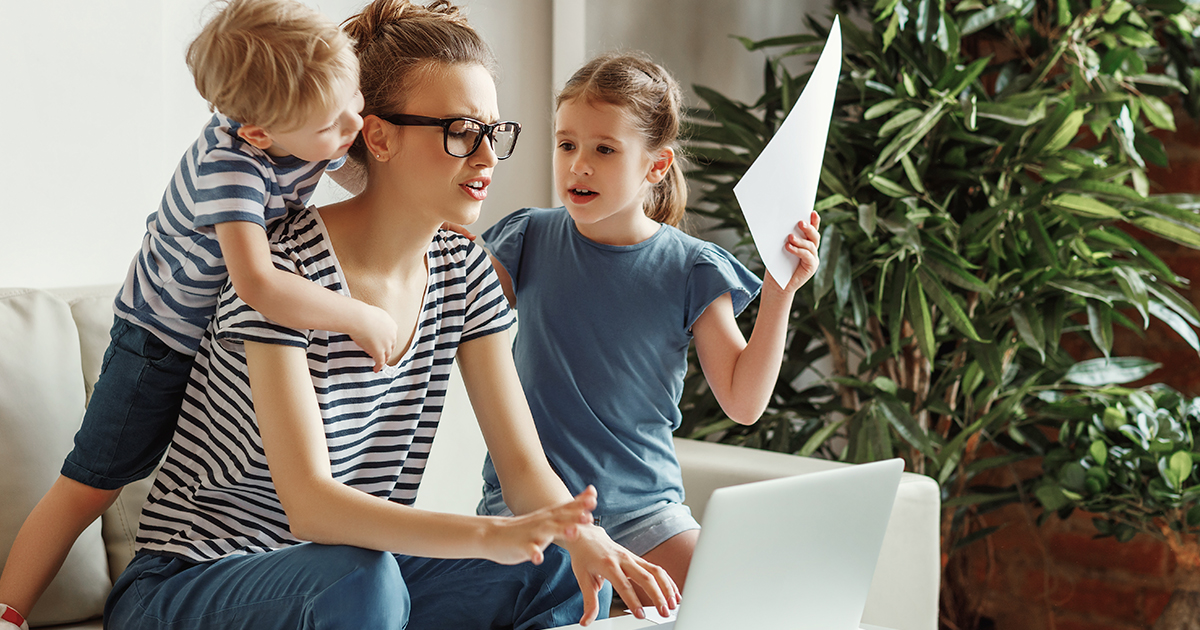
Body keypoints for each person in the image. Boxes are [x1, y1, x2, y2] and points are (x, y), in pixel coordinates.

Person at [96, 2, 678, 629]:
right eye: (460, 130)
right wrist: (487, 535)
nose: (485, 157)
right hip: (192, 581)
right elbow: (311, 509)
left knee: (548, 563)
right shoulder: (282, 268)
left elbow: (523, 470)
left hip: (347, 581)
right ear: (378, 135)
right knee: (360, 574)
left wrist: (582, 537)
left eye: (494, 131)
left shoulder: (464, 270)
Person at [0, 2, 398, 627]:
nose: (353, 126)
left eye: (356, 100)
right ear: (258, 133)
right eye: (332, 126)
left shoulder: (314, 119)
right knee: (93, 481)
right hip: (157, 342)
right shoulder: (229, 169)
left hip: (215, 340)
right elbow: (260, 282)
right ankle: (9, 610)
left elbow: (371, 172)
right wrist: (356, 315)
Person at [475, 51, 822, 594]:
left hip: (646, 516)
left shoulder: (693, 268)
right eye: (567, 144)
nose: (577, 165)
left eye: (604, 149)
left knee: (735, 600)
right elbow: (442, 314)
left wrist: (780, 292)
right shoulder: (526, 240)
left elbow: (743, 401)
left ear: (656, 165)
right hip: (532, 513)